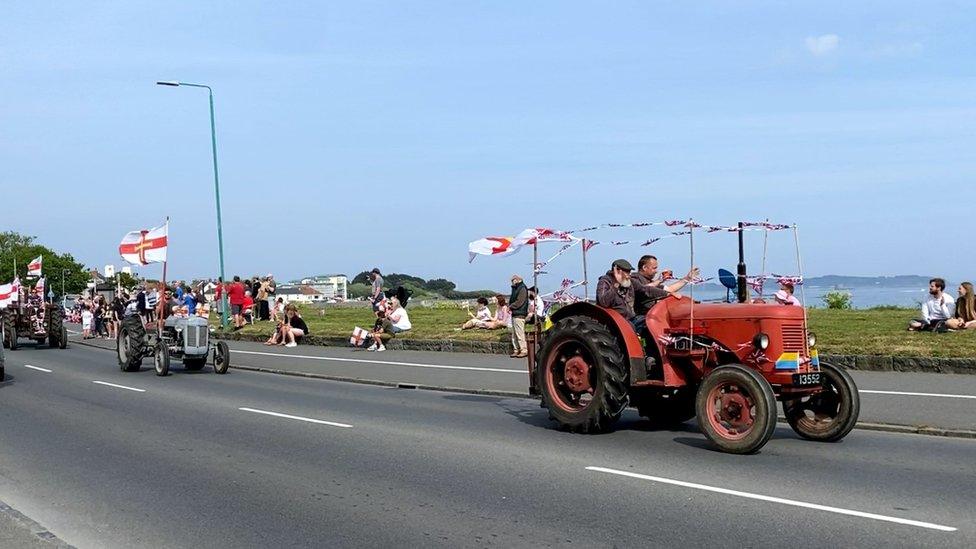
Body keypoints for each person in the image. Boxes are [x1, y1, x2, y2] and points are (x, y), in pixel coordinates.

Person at [509, 274, 529, 358]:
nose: (512, 282)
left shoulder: (522, 288)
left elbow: (520, 301)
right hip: (515, 313)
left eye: (513, 280)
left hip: (519, 313)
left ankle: (523, 350)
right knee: (514, 333)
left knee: (519, 333)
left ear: (517, 279)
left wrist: (511, 306)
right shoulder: (517, 288)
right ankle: (516, 349)